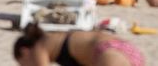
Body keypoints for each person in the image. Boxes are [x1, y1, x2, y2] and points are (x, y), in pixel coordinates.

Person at [13, 25, 145, 66]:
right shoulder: (56, 38)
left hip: (108, 52)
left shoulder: (40, 47)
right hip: (129, 51)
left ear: (24, 52)